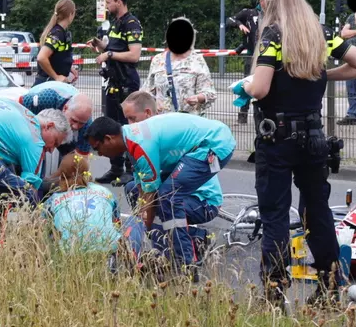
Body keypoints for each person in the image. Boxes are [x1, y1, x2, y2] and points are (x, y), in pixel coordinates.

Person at [231, 0, 356, 309]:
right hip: (314, 137)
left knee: (275, 215)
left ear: (268, 3)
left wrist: (245, 85)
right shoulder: (320, 32)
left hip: (277, 137)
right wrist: (323, 74)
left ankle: (275, 293)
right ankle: (328, 288)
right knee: (317, 213)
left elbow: (262, 88)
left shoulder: (272, 35)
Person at [85, 113, 236, 281]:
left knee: (168, 198)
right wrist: (139, 225)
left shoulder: (140, 145)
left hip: (215, 145)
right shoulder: (132, 142)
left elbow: (150, 198)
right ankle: (187, 240)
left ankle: (186, 266)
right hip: (201, 147)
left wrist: (139, 232)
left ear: (108, 139)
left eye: (97, 148)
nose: (98, 153)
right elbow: (143, 191)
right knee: (134, 189)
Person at [120, 91, 221, 264]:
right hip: (180, 195)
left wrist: (145, 223)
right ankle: (177, 241)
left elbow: (151, 192)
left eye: (132, 118)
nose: (129, 124)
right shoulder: (145, 138)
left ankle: (186, 256)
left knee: (160, 203)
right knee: (133, 190)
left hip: (203, 202)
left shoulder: (159, 135)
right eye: (126, 120)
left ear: (148, 114)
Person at [86, 0, 143, 186]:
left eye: (108, 2)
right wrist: (100, 46)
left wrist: (108, 55)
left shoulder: (131, 23)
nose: (107, 6)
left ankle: (130, 169)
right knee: (112, 125)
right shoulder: (116, 24)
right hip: (113, 82)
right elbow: (113, 47)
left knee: (127, 127)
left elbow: (134, 55)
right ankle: (116, 168)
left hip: (127, 82)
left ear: (118, 1)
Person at [43, 154, 120, 258]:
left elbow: (41, 225)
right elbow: (116, 221)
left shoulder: (54, 199)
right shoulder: (105, 191)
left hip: (68, 252)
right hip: (108, 249)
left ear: (61, 175)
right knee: (132, 221)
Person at [142, 17, 216, 116]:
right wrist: (153, 104)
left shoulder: (197, 60)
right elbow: (148, 91)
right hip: (161, 122)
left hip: (188, 123)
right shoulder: (158, 60)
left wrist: (198, 98)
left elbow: (210, 93)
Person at [228, 4, 262, 123]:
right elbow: (230, 19)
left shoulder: (274, 14)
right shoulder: (249, 13)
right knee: (246, 84)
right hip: (251, 54)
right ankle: (243, 116)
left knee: (265, 84)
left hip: (266, 55)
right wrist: (240, 24)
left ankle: (263, 116)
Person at [35, 0, 79, 86]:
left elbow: (57, 56)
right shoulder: (57, 33)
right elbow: (41, 57)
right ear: (71, 14)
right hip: (47, 85)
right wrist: (56, 77)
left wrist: (68, 67)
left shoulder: (61, 32)